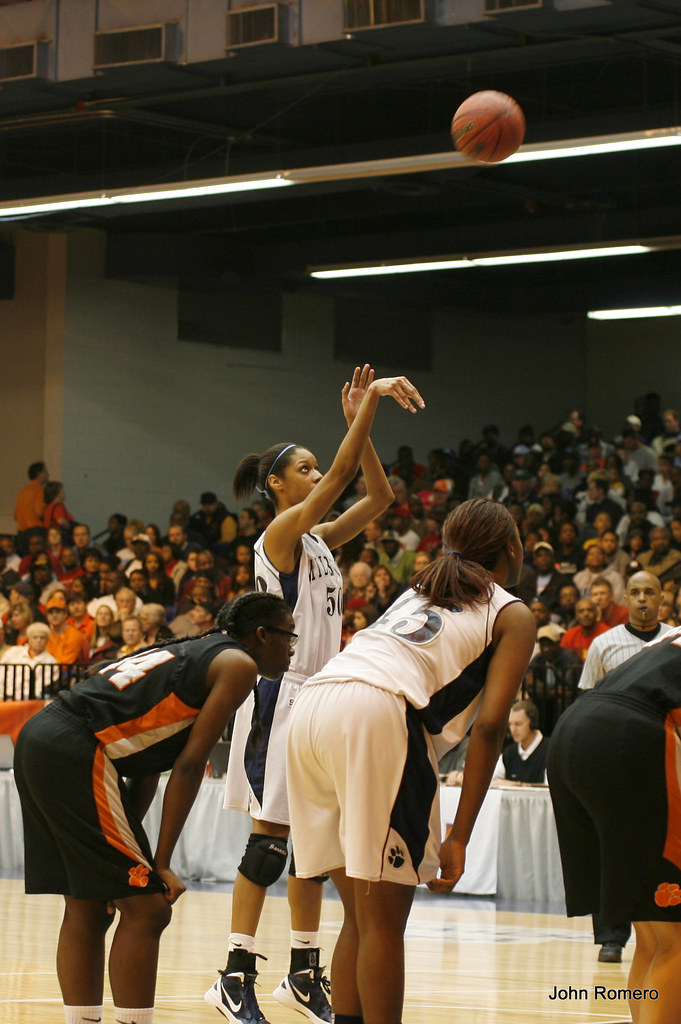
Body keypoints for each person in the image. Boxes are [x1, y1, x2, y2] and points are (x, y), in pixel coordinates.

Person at [208, 365, 424, 1024]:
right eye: (303, 469)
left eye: (314, 466)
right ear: (276, 484)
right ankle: (234, 974)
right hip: (280, 693)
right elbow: (341, 477)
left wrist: (360, 427)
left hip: (321, 697)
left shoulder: (318, 541)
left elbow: (378, 497)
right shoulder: (277, 538)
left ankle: (303, 972)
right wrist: (370, 404)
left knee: (315, 843)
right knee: (270, 841)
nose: (316, 474)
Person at [286, 498, 535, 1024]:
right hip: (376, 711)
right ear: (511, 549)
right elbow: (490, 727)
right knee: (383, 924)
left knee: (359, 918)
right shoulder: (511, 612)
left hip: (312, 707)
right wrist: (460, 835)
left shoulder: (418, 590)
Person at [13, 591, 294, 1024]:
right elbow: (189, 767)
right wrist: (158, 865)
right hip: (76, 748)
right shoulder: (238, 665)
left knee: (89, 904)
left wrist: (132, 857)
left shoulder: (194, 651)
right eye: (289, 635)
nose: (293, 647)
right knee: (148, 907)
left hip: (42, 738)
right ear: (262, 635)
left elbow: (147, 769)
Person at [548, 625, 681, 1024]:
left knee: (654, 934)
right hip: (631, 733)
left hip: (575, 726)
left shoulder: (670, 638)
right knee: (676, 937)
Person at [577, 569, 673, 964]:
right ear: (626, 598)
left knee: (663, 847)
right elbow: (584, 703)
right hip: (614, 759)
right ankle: (611, 936)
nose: (643, 599)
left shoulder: (674, 640)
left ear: (662, 598)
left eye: (650, 592)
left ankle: (664, 924)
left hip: (664, 757)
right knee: (609, 846)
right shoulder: (604, 644)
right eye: (636, 592)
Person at [490, 699, 548, 784]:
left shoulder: (550, 751)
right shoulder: (508, 754)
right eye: (510, 724)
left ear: (532, 723)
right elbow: (490, 782)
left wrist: (517, 785)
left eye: (518, 724)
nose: (513, 730)